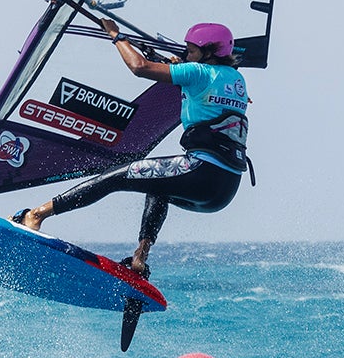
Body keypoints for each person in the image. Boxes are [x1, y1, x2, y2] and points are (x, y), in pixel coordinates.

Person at [13, 19, 249, 277]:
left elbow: (140, 67)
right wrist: (178, 67)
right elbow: (205, 91)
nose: (187, 55)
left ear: (210, 52)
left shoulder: (197, 73)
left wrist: (116, 36)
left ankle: (36, 215)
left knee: (114, 177)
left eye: (191, 51)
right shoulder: (236, 80)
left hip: (200, 170)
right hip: (224, 189)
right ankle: (140, 257)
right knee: (159, 187)